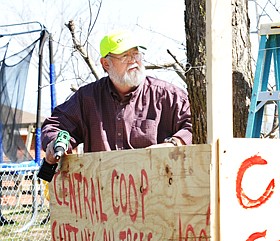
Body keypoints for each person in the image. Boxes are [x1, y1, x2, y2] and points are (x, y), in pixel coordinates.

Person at [41, 29, 192, 164]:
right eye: (125, 55)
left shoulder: (168, 96)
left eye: (136, 54)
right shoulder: (87, 98)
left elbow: (195, 125)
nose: (133, 60)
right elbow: (56, 126)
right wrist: (56, 143)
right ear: (106, 64)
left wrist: (174, 143)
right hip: (103, 190)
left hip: (159, 189)